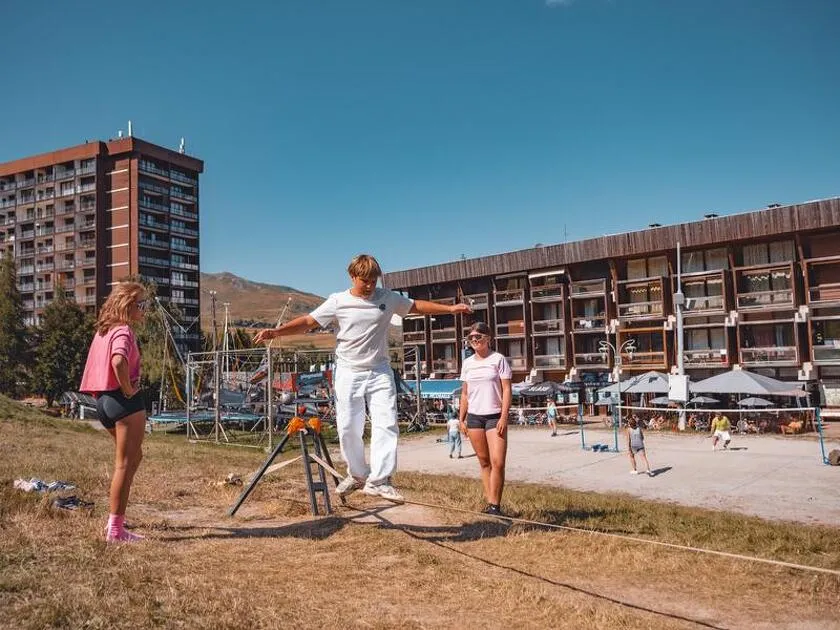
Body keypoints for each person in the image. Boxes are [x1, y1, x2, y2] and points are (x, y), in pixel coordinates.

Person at [253, 254, 470, 502]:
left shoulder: (387, 298)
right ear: (352, 276)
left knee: (386, 422)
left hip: (379, 371)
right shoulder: (338, 301)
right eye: (364, 281)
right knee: (348, 427)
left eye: (373, 281)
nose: (369, 286)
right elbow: (308, 322)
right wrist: (276, 332)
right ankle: (357, 474)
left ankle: (380, 480)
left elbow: (416, 306)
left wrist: (450, 309)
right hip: (348, 371)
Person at [79, 281, 148, 543]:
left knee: (134, 456)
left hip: (104, 403)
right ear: (128, 305)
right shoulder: (123, 331)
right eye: (141, 304)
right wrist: (129, 388)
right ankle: (116, 531)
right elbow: (118, 360)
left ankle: (116, 515)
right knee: (124, 464)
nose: (145, 309)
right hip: (124, 403)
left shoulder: (102, 332)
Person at [458, 322, 512, 516]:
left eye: (478, 337)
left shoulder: (498, 359)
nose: (474, 341)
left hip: (494, 415)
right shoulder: (467, 363)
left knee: (498, 462)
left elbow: (506, 389)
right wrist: (461, 419)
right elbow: (465, 393)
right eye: (471, 338)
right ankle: (490, 503)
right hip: (474, 417)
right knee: (484, 461)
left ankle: (496, 506)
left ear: (488, 338)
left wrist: (504, 416)